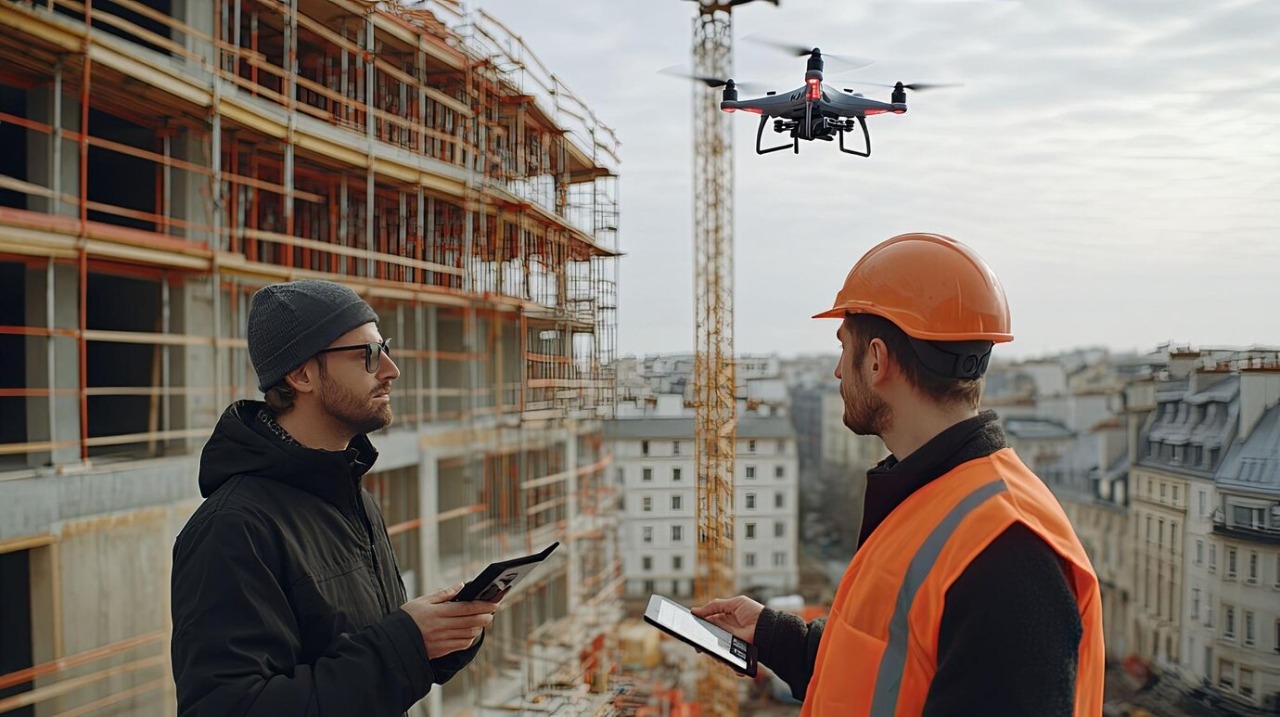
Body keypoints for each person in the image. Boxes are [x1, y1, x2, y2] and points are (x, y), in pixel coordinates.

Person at [694, 233, 1105, 716]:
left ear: (875, 359)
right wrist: (773, 634)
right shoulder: (934, 494)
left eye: (842, 349)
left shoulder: (1008, 552)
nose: (835, 372)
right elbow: (888, 668)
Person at [170, 279, 497, 716]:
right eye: (367, 354)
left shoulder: (353, 498)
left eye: (385, 347)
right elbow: (231, 707)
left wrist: (441, 637)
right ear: (301, 374)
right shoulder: (232, 529)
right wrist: (405, 643)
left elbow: (357, 662)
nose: (390, 369)